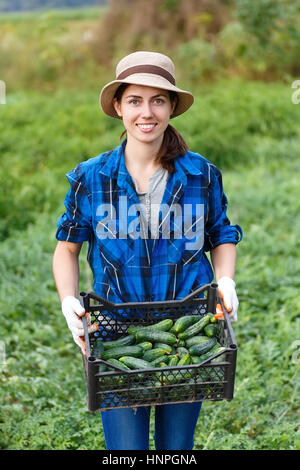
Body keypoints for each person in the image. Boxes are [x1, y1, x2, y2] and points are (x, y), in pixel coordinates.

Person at [52, 51, 243, 450]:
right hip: (115, 329)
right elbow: (67, 248)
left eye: (158, 100)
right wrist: (68, 300)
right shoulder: (92, 177)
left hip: (189, 333)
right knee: (127, 450)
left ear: (172, 107)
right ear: (118, 106)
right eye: (135, 100)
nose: (147, 112)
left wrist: (225, 279)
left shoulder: (201, 174)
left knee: (177, 449)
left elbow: (221, 234)